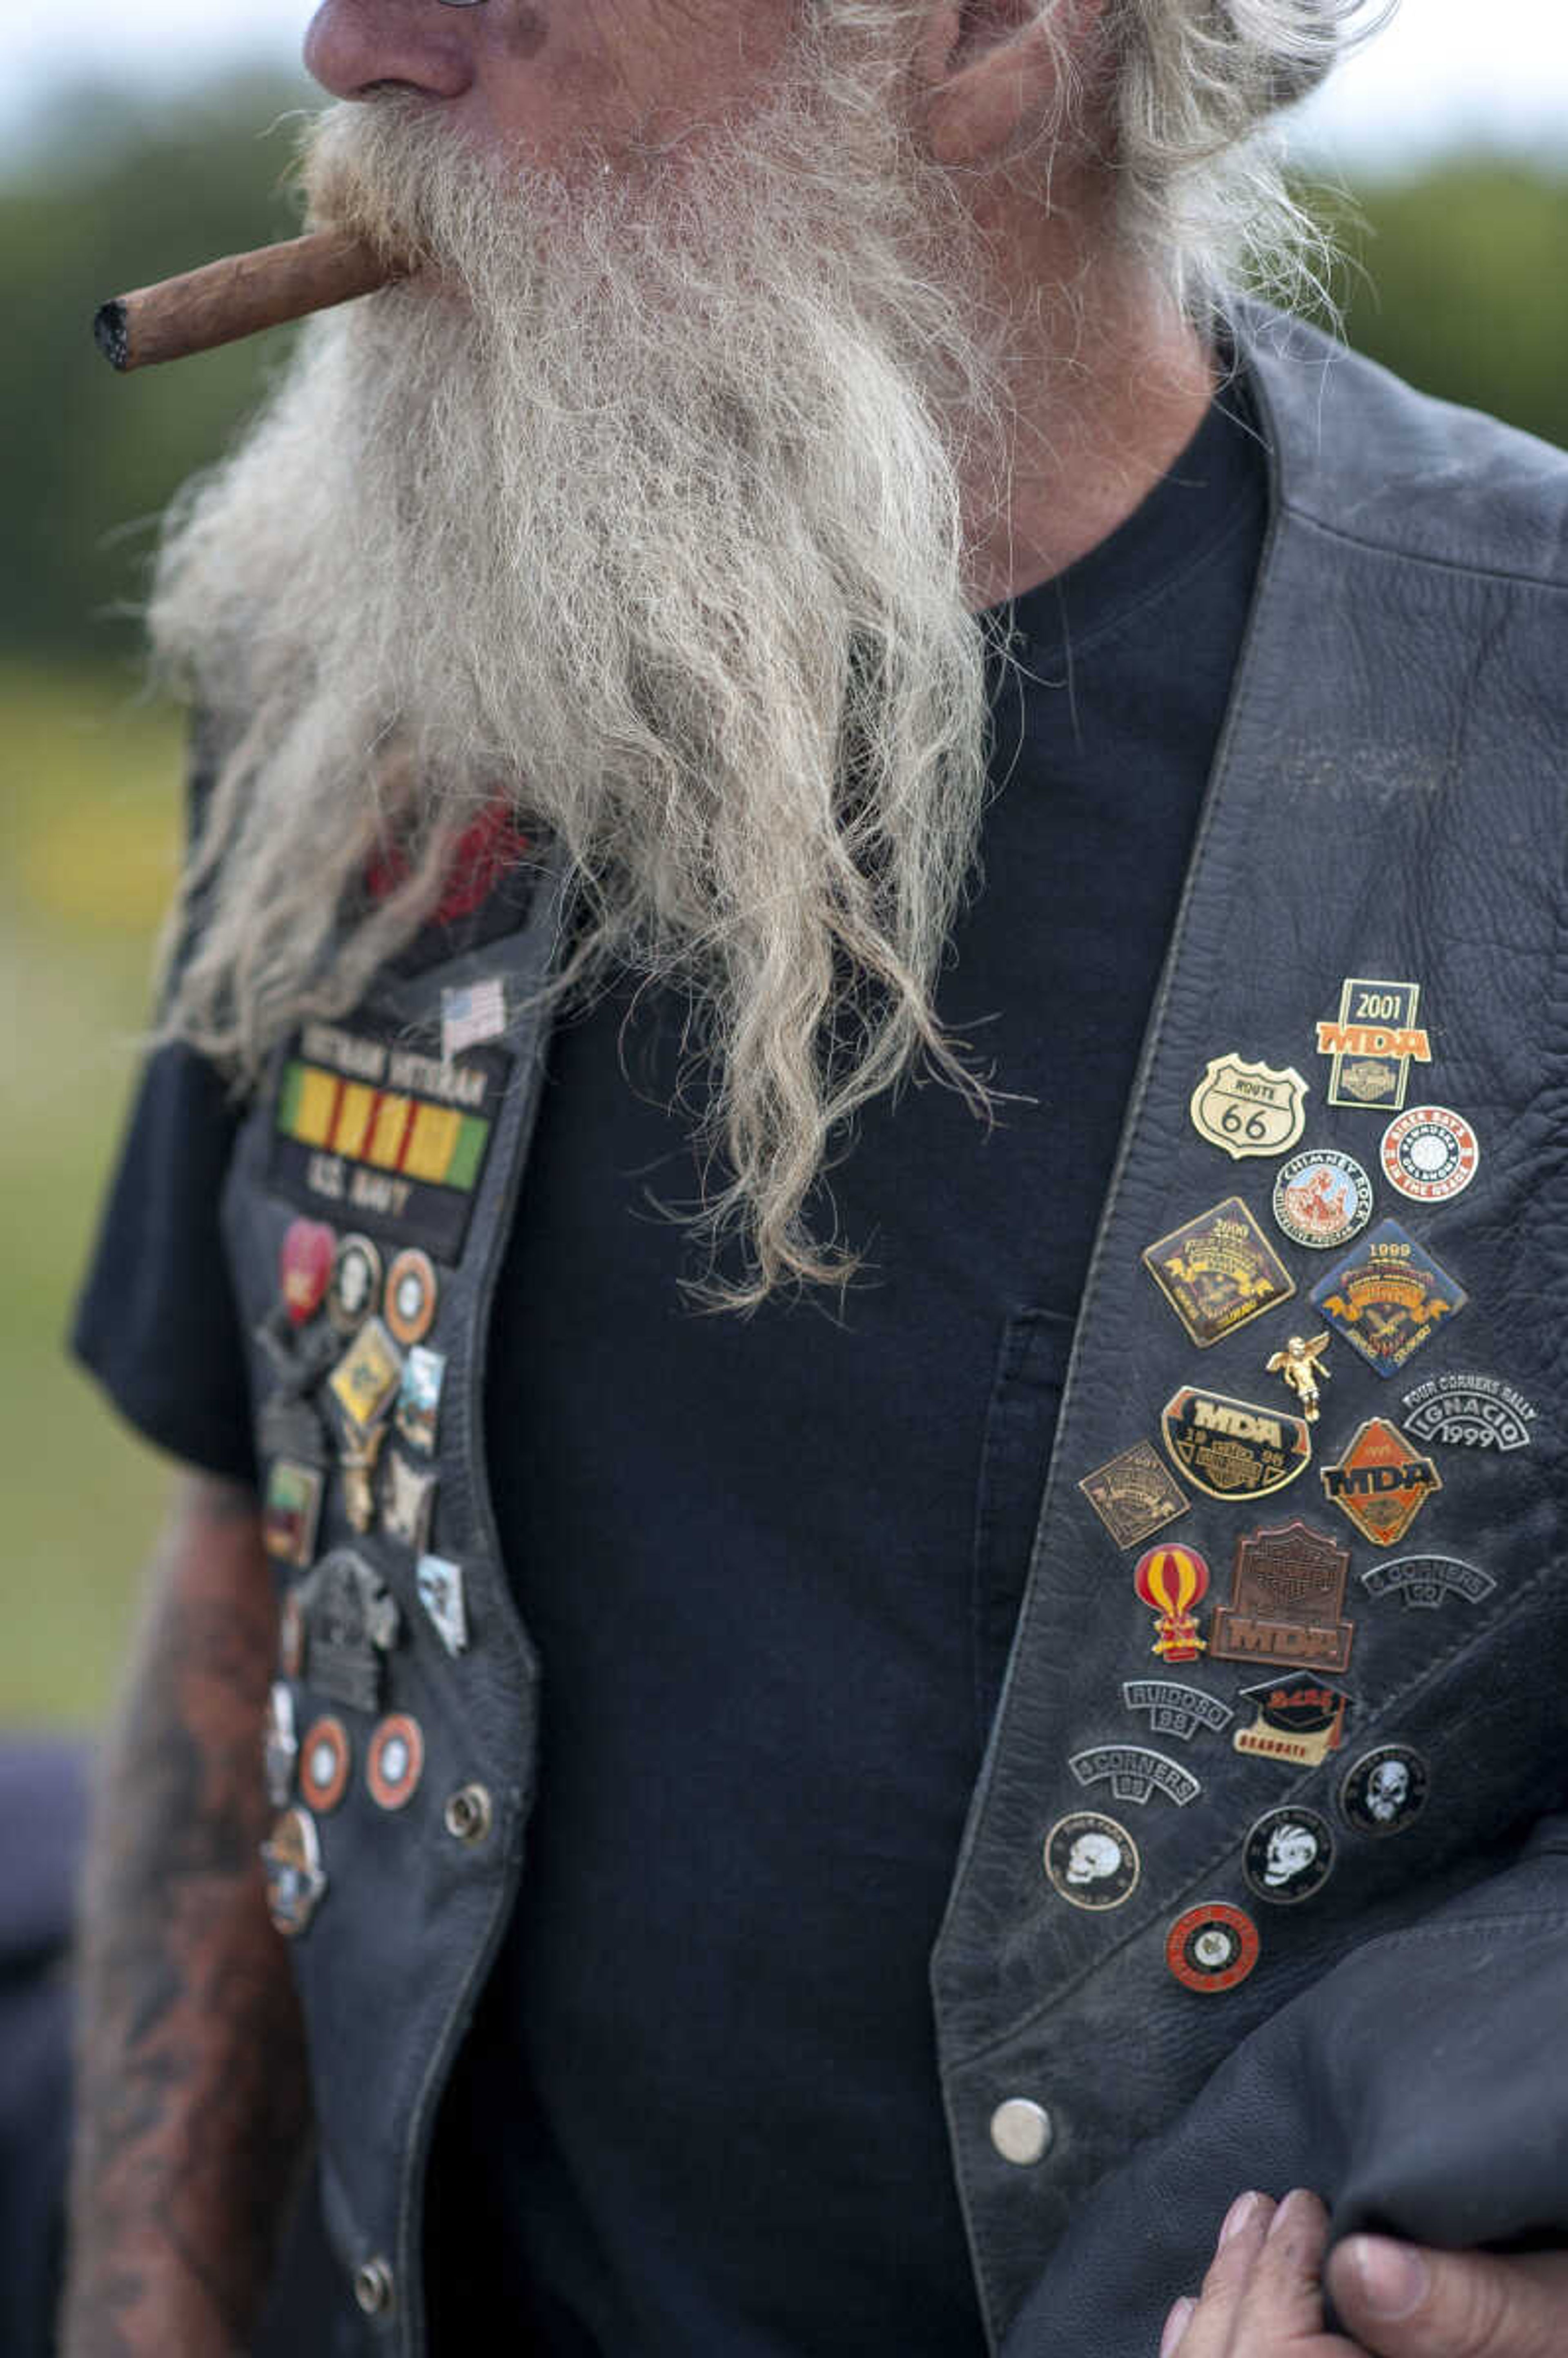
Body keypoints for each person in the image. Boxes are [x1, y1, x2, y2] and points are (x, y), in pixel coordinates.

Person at [61, 2, 1568, 2354]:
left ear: (972, 34)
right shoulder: (356, 654)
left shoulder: (1530, 730)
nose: (353, 46)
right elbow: (270, 1544)